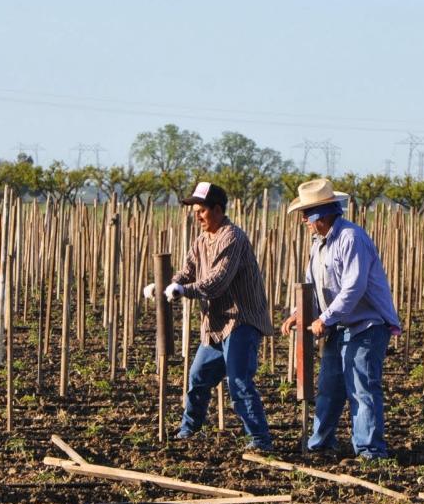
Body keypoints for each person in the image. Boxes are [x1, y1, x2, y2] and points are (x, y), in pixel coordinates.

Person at [144, 181, 274, 451]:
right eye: (195, 210)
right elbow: (187, 271)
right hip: (215, 324)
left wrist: (183, 290)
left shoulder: (233, 237)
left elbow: (218, 281)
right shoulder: (201, 240)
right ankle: (188, 430)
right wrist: (165, 284)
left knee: (238, 382)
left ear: (217, 209)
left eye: (201, 210)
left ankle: (261, 440)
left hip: (241, 321)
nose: (197, 215)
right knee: (198, 377)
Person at [281, 178, 399, 460]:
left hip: (367, 326)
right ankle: (320, 445)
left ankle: (371, 452)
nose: (304, 221)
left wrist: (325, 317)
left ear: (322, 213)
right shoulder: (318, 245)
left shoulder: (351, 238)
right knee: (329, 389)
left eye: (306, 214)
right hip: (338, 326)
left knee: (361, 388)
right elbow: (311, 285)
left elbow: (354, 287)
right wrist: (300, 312)